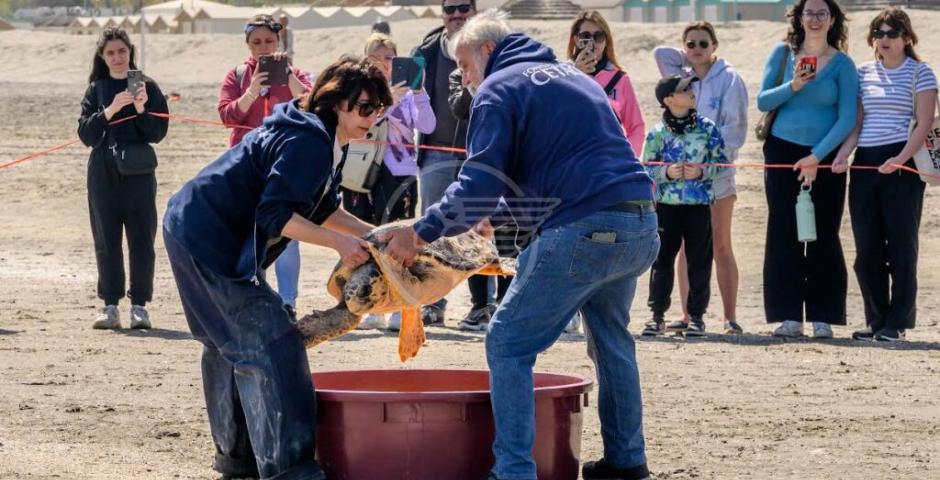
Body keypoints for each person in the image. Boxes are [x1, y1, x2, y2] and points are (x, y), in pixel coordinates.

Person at [382, 11, 659, 480]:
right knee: (612, 342)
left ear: (486, 50)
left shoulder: (498, 88)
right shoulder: (573, 77)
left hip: (583, 228)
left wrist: (419, 232)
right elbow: (572, 160)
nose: (463, 78)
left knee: (507, 343)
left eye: (464, 66)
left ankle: (513, 471)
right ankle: (626, 462)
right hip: (640, 222)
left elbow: (476, 186)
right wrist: (501, 215)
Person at [163, 57, 391, 480]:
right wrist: (341, 244)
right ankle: (291, 471)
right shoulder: (310, 142)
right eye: (364, 108)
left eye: (379, 110)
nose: (372, 119)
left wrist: (373, 233)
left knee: (229, 340)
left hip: (195, 226)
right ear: (335, 102)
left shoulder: (324, 138)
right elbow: (275, 214)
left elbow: (321, 207)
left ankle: (238, 461)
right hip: (205, 235)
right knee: (273, 341)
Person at [833, 7, 937, 342]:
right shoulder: (864, 73)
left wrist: (901, 158)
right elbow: (857, 123)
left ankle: (898, 323)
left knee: (902, 247)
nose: (885, 39)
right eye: (879, 33)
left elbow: (923, 123)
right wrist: (843, 154)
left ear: (907, 37)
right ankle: (876, 320)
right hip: (865, 163)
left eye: (892, 33)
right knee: (867, 250)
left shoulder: (921, 73)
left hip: (902, 164)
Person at [756, 0, 857, 339]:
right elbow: (763, 101)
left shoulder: (843, 64)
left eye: (822, 13)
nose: (815, 19)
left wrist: (817, 156)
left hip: (825, 156)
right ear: (799, 18)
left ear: (832, 20)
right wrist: (794, 85)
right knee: (783, 230)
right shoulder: (782, 54)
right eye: (809, 13)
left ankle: (823, 316)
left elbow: (847, 118)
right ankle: (787, 316)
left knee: (823, 233)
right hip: (782, 151)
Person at [653, 21, 748, 335]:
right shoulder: (682, 81)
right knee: (683, 248)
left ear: (715, 46)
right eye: (690, 44)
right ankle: (686, 313)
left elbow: (735, 130)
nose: (696, 49)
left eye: (703, 44)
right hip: (680, 186)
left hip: (716, 176)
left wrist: (711, 166)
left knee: (719, 245)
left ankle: (729, 316)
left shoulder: (731, 79)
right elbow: (660, 52)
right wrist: (687, 65)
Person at [218, 14, 313, 319]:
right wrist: (250, 92)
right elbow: (227, 117)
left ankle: (288, 302)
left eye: (269, 41)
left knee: (288, 235)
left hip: (286, 167)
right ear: (247, 45)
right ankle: (254, 297)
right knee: (247, 235)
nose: (263, 47)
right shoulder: (236, 75)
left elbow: (314, 105)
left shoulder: (294, 72)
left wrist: (288, 77)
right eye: (256, 42)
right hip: (245, 168)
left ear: (279, 41)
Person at [78, 27, 168, 330]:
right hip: (103, 167)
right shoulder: (96, 89)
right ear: (102, 57)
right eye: (111, 53)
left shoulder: (149, 87)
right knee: (106, 237)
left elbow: (157, 133)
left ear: (130, 52)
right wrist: (112, 109)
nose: (117, 58)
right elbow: (86, 134)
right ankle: (111, 305)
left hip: (139, 169)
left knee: (142, 238)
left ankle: (140, 305)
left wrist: (141, 107)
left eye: (122, 51)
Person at [412, 0, 490, 328]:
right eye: (450, 9)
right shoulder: (425, 52)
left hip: (479, 154)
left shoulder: (489, 50)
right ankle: (432, 303)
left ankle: (482, 306)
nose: (456, 15)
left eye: (463, 8)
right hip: (435, 153)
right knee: (431, 231)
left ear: (475, 11)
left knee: (479, 232)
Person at [350, 33, 436, 331]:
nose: (386, 63)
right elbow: (356, 125)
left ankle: (401, 304)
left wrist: (420, 91)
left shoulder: (409, 94)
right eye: (379, 57)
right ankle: (372, 304)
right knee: (366, 237)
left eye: (391, 57)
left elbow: (427, 126)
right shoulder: (361, 91)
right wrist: (385, 103)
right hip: (362, 171)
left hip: (400, 171)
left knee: (399, 239)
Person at [640, 75, 724, 337]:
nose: (691, 91)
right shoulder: (656, 133)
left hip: (699, 205)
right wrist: (666, 173)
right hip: (667, 205)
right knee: (662, 260)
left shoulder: (708, 128)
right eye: (684, 89)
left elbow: (721, 163)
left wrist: (701, 173)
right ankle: (657, 316)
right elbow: (645, 168)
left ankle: (697, 316)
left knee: (700, 261)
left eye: (690, 87)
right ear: (669, 100)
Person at [568, 10, 645, 153]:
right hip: (572, 158)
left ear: (606, 40)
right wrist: (574, 74)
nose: (592, 43)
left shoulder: (620, 79)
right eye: (585, 36)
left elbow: (636, 126)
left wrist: (626, 158)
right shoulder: (560, 75)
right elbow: (551, 117)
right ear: (576, 40)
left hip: (609, 159)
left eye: (598, 36)